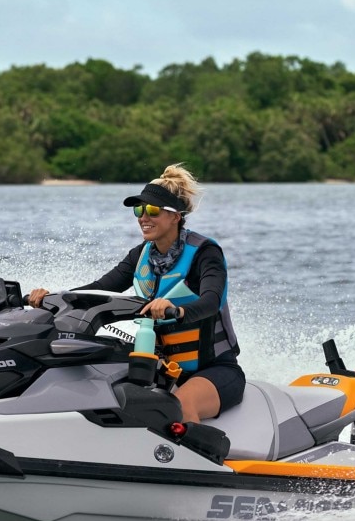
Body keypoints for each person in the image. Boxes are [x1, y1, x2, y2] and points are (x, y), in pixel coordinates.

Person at [28, 164, 243, 423]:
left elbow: (212, 301)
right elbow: (99, 289)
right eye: (139, 210)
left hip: (215, 370)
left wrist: (178, 310)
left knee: (181, 408)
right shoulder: (140, 255)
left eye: (152, 210)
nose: (143, 217)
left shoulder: (205, 253)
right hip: (163, 371)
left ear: (175, 217)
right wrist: (53, 299)